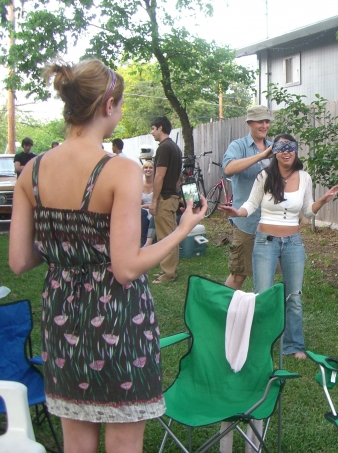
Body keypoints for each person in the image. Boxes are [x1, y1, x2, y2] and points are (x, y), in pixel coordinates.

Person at [8, 59, 207, 453]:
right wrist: (182, 229)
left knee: (77, 443)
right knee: (123, 443)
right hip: (119, 319)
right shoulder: (120, 170)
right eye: (120, 103)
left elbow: (19, 261)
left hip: (62, 320)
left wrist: (65, 244)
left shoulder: (31, 172)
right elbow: (126, 267)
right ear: (108, 105)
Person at [219, 134, 338, 359]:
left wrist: (323, 201)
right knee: (263, 295)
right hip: (265, 241)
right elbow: (251, 204)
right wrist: (238, 212)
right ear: (274, 152)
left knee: (294, 296)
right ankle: (261, 343)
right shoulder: (264, 176)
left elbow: (307, 212)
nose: (286, 152)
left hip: (293, 242)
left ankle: (294, 345)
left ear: (296, 150)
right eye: (281, 148)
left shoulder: (304, 177)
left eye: (290, 147)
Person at [222, 105, 274, 290]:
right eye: (260, 121)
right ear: (249, 123)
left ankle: (260, 306)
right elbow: (228, 168)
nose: (264, 125)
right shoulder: (238, 146)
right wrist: (261, 156)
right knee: (239, 274)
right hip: (246, 222)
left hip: (271, 222)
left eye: (267, 121)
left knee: (268, 273)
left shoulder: (274, 147)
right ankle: (221, 305)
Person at [149, 116, 182, 284]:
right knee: (170, 235)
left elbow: (159, 176)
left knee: (165, 237)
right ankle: (168, 269)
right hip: (173, 196)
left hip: (165, 198)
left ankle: (168, 274)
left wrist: (154, 201)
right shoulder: (175, 147)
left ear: (160, 128)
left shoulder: (164, 148)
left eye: (153, 129)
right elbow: (178, 178)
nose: (152, 132)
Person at [141, 161, 154, 246]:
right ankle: (143, 244)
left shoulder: (157, 183)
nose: (148, 169)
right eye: (146, 167)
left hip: (154, 208)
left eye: (150, 167)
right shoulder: (140, 183)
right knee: (142, 214)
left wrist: (142, 205)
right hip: (143, 210)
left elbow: (157, 203)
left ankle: (149, 243)